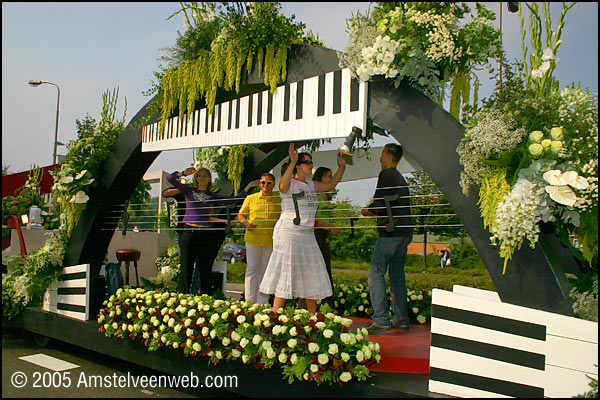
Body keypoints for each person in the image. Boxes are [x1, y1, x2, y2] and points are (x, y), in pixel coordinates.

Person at [259, 143, 346, 314]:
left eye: (310, 161)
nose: (310, 164)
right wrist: (291, 162)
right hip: (289, 232)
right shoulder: (290, 183)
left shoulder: (311, 185)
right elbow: (282, 187)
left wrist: (341, 167)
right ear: (298, 167)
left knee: (310, 270)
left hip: (307, 233)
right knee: (286, 269)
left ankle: (312, 317)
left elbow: (331, 185)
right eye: (306, 161)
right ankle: (275, 313)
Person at [166, 167, 259, 294]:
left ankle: (204, 295)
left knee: (205, 266)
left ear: (210, 179)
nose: (202, 178)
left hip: (204, 233)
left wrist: (248, 187)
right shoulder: (189, 190)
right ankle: (183, 295)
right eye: (199, 176)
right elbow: (170, 178)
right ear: (196, 178)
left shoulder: (211, 196)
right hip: (189, 231)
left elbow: (234, 199)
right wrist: (183, 173)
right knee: (186, 266)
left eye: (205, 176)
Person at [361, 143, 414, 334]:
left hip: (390, 232)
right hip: (405, 231)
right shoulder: (400, 178)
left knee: (375, 272)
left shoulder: (386, 174)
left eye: (382, 154)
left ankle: (381, 320)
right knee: (397, 276)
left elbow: (380, 202)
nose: (380, 158)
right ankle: (401, 320)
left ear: (389, 156)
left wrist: (369, 210)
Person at [297, 167, 338, 310]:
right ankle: (305, 303)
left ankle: (325, 303)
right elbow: (314, 216)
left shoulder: (325, 194)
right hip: (315, 233)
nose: (330, 179)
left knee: (325, 267)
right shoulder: (314, 194)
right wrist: (329, 226)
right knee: (314, 268)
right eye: (328, 176)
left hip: (323, 234)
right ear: (320, 177)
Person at [237, 173, 282, 304]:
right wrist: (246, 223)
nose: (265, 186)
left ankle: (263, 301)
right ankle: (249, 301)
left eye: (268, 183)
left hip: (271, 240)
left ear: (273, 184)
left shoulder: (279, 201)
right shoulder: (251, 198)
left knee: (266, 270)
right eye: (263, 183)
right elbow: (241, 215)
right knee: (252, 268)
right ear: (260, 184)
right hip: (253, 239)